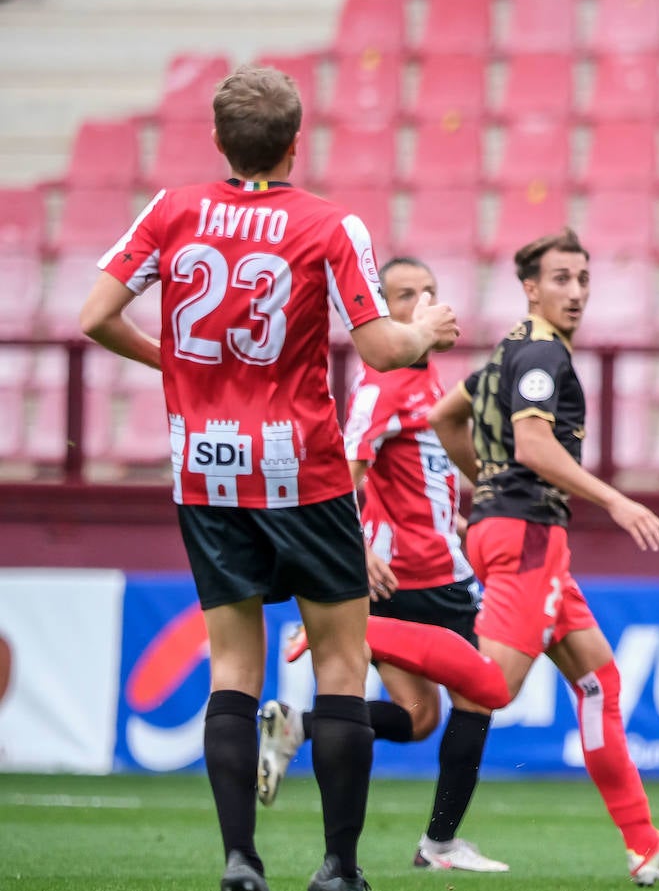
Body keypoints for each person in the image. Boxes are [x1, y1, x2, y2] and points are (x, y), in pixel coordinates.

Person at [79, 65, 458, 891]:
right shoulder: (327, 223)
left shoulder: (172, 209)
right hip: (304, 469)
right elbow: (384, 350)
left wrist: (173, 364)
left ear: (217, 141)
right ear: (296, 142)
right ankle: (336, 868)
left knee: (233, 670)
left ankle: (241, 861)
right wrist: (423, 322)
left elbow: (94, 315)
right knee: (341, 667)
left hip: (206, 470)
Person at [423, 228, 659, 887]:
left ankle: (643, 842)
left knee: (598, 681)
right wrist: (615, 499)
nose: (576, 292)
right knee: (492, 686)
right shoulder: (539, 355)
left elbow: (447, 417)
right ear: (530, 287)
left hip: (517, 529)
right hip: (527, 534)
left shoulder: (504, 352)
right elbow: (532, 444)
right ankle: (360, 635)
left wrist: (486, 483)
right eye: (561, 278)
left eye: (583, 278)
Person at [256, 257, 506, 874]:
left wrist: (455, 518)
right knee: (480, 697)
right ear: (380, 311)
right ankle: (439, 845)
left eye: (429, 291)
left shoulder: (426, 377)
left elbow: (418, 473)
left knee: (420, 718)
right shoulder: (382, 383)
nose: (422, 301)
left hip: (423, 565)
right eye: (404, 295)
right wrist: (359, 548)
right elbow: (347, 472)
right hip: (423, 579)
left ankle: (297, 727)